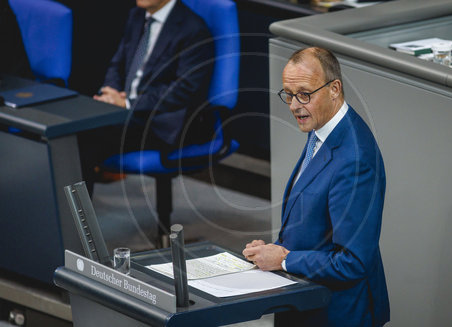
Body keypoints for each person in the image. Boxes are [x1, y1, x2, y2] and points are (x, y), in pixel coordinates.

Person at [243, 47, 390, 326]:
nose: (295, 105)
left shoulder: (355, 160)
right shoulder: (322, 130)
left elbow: (353, 261)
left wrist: (284, 259)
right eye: (288, 93)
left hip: (337, 313)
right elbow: (314, 220)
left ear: (334, 89)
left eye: (305, 94)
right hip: (306, 301)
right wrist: (271, 250)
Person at [78, 0, 214, 190]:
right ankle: (68, 216)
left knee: (82, 142)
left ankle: (77, 219)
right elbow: (117, 64)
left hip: (157, 122)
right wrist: (111, 92)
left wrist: (127, 103)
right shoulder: (136, 16)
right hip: (124, 112)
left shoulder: (193, 30)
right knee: (71, 133)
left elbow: (181, 92)